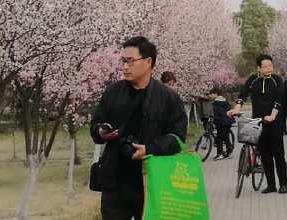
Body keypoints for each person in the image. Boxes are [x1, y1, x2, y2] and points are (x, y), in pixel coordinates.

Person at [90, 37, 188, 220]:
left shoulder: (168, 97)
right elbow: (95, 128)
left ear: (148, 61)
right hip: (116, 180)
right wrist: (101, 132)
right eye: (123, 61)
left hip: (152, 181)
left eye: (130, 61)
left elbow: (177, 138)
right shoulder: (112, 92)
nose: (125, 67)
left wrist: (150, 150)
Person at [227, 53, 287, 193]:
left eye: (270, 65)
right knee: (265, 155)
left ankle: (283, 184)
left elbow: (279, 99)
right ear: (258, 68)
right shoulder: (253, 80)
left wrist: (272, 115)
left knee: (278, 155)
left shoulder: (277, 80)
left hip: (275, 121)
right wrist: (236, 109)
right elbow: (242, 95)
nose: (269, 68)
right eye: (265, 66)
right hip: (258, 123)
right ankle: (271, 185)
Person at [208, 87, 233, 160]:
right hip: (228, 121)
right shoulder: (224, 100)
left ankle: (220, 154)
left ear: (215, 94)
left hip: (222, 122)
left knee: (219, 138)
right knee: (226, 137)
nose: (210, 95)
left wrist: (214, 121)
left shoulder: (216, 102)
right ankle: (229, 152)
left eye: (211, 94)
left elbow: (218, 114)